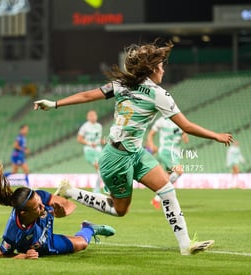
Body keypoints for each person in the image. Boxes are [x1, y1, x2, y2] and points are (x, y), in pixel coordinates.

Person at [34, 39, 233, 255]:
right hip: (116, 158)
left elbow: (86, 95)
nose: (163, 69)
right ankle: (70, 191)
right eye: (162, 66)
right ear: (154, 69)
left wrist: (54, 103)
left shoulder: (121, 85)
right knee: (120, 210)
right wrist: (216, 136)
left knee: (167, 190)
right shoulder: (159, 95)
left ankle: (186, 246)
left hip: (136, 153)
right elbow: (186, 125)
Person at [0, 162, 115, 259]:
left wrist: (62, 214)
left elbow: (70, 205)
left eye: (40, 202)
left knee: (83, 243)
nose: (42, 206)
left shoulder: (40, 197)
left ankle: (89, 228)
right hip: (39, 246)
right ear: (23, 213)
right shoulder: (13, 231)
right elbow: (2, 254)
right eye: (37, 207)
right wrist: (24, 256)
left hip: (49, 240)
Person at [146, 116, 189, 209]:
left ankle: (156, 199)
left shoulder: (180, 121)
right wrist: (151, 145)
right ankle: (159, 197)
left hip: (175, 153)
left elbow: (186, 140)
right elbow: (150, 134)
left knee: (167, 176)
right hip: (166, 151)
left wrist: (185, 133)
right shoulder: (161, 121)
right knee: (179, 171)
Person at [77, 110, 105, 193]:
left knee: (102, 168)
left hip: (98, 149)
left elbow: (99, 139)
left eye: (94, 115)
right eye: (91, 115)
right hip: (89, 150)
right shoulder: (85, 127)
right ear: (87, 117)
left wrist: (103, 141)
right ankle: (97, 188)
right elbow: (79, 139)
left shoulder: (99, 126)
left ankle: (97, 188)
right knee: (99, 167)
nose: (93, 117)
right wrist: (89, 143)